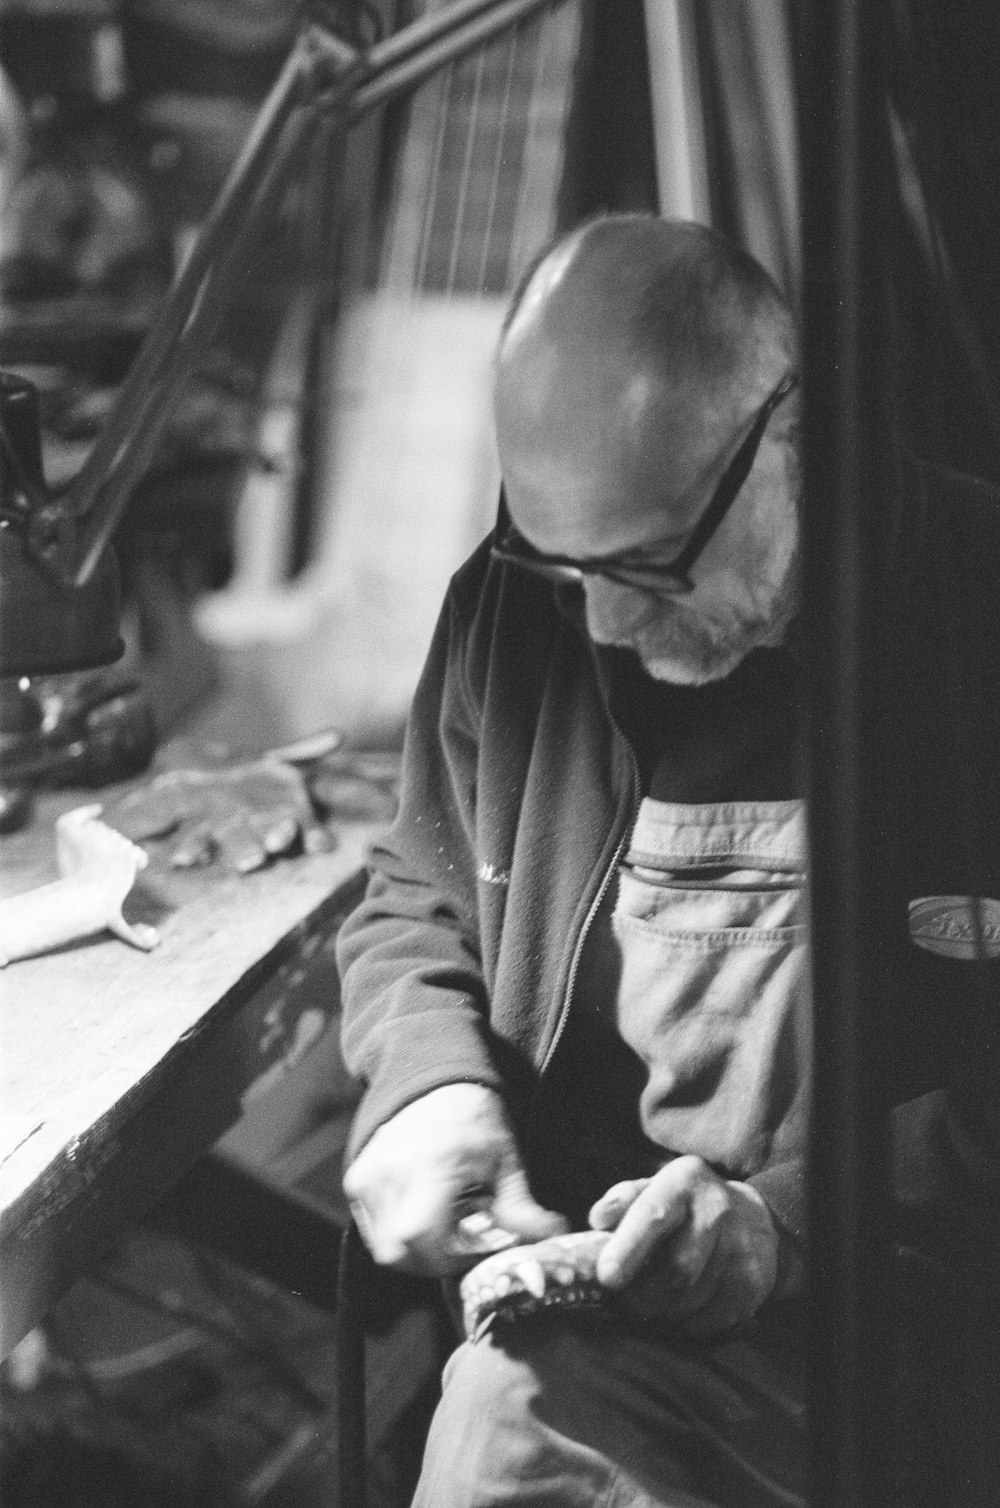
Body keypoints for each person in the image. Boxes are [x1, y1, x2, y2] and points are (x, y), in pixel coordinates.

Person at [337, 214, 1000, 1506]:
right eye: (561, 562)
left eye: (645, 563)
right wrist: (426, 1080)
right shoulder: (517, 616)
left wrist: (790, 1227)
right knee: (504, 1416)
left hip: (929, 1343)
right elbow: (412, 888)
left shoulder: (974, 619)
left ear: (787, 438)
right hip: (622, 1338)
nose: (603, 622)